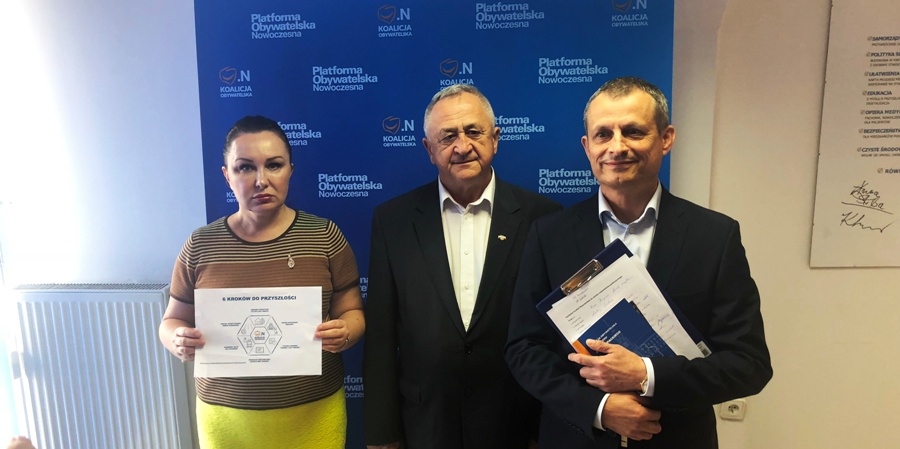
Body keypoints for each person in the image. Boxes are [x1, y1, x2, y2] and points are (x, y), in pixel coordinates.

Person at [505, 76, 772, 448]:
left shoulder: (714, 237)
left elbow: (749, 365)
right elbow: (524, 349)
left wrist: (646, 374)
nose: (617, 147)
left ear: (666, 138)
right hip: (576, 437)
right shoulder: (548, 235)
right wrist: (598, 408)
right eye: (603, 134)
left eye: (633, 131)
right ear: (587, 146)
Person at [363, 84, 561, 449]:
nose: (462, 146)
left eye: (473, 131)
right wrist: (381, 434)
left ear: (495, 139)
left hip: (515, 422)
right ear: (429, 149)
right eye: (448, 136)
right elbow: (380, 336)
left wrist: (545, 430)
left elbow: (553, 334)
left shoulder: (542, 217)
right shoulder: (393, 221)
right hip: (425, 423)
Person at [159, 115, 365, 449]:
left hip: (314, 414)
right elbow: (171, 320)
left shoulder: (325, 237)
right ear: (227, 176)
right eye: (245, 167)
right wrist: (176, 338)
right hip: (226, 419)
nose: (261, 180)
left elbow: (354, 312)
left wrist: (346, 331)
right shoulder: (200, 245)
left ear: (290, 170)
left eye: (274, 165)